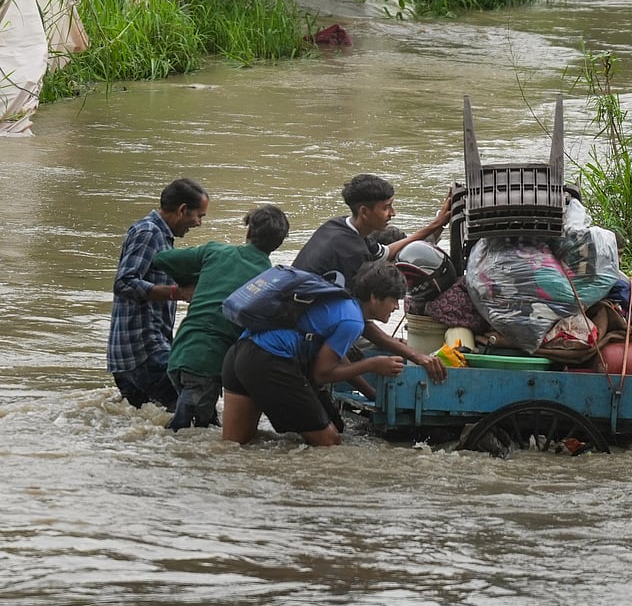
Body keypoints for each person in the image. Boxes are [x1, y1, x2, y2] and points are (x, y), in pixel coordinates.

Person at [220, 262, 408, 446]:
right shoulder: (353, 321)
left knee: (235, 445)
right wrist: (373, 364)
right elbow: (322, 374)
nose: (396, 307)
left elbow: (337, 359)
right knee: (330, 441)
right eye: (394, 300)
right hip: (268, 360)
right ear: (375, 297)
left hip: (241, 352)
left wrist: (370, 393)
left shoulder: (340, 303)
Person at [292, 174, 449, 382]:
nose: (392, 213)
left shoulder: (340, 226)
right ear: (364, 212)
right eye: (386, 207)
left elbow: (386, 253)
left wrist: (435, 225)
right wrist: (415, 355)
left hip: (312, 316)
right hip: (303, 328)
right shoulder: (351, 254)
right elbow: (360, 319)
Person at [151, 205, 290, 431]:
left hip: (180, 350)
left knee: (200, 425)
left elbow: (162, 259)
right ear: (279, 243)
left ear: (248, 231)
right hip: (208, 362)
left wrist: (192, 283)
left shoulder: (214, 252)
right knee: (186, 431)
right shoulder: (269, 281)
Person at [106, 178, 209, 410]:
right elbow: (124, 283)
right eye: (199, 216)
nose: (199, 223)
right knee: (198, 412)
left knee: (150, 424)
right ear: (182, 210)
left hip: (127, 355)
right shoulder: (149, 232)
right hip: (144, 350)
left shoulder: (156, 234)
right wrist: (178, 293)